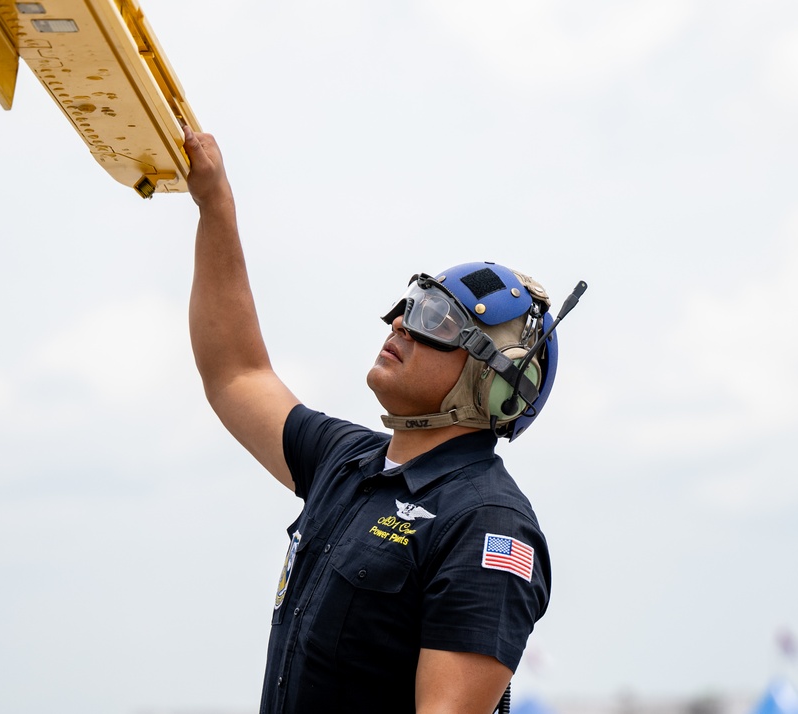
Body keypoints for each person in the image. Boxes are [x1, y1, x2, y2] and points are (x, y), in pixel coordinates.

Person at [183, 124, 569, 714]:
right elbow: (237, 374)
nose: (399, 325)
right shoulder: (350, 463)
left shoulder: (489, 526)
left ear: (496, 382)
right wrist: (216, 204)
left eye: (434, 320)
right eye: (410, 305)